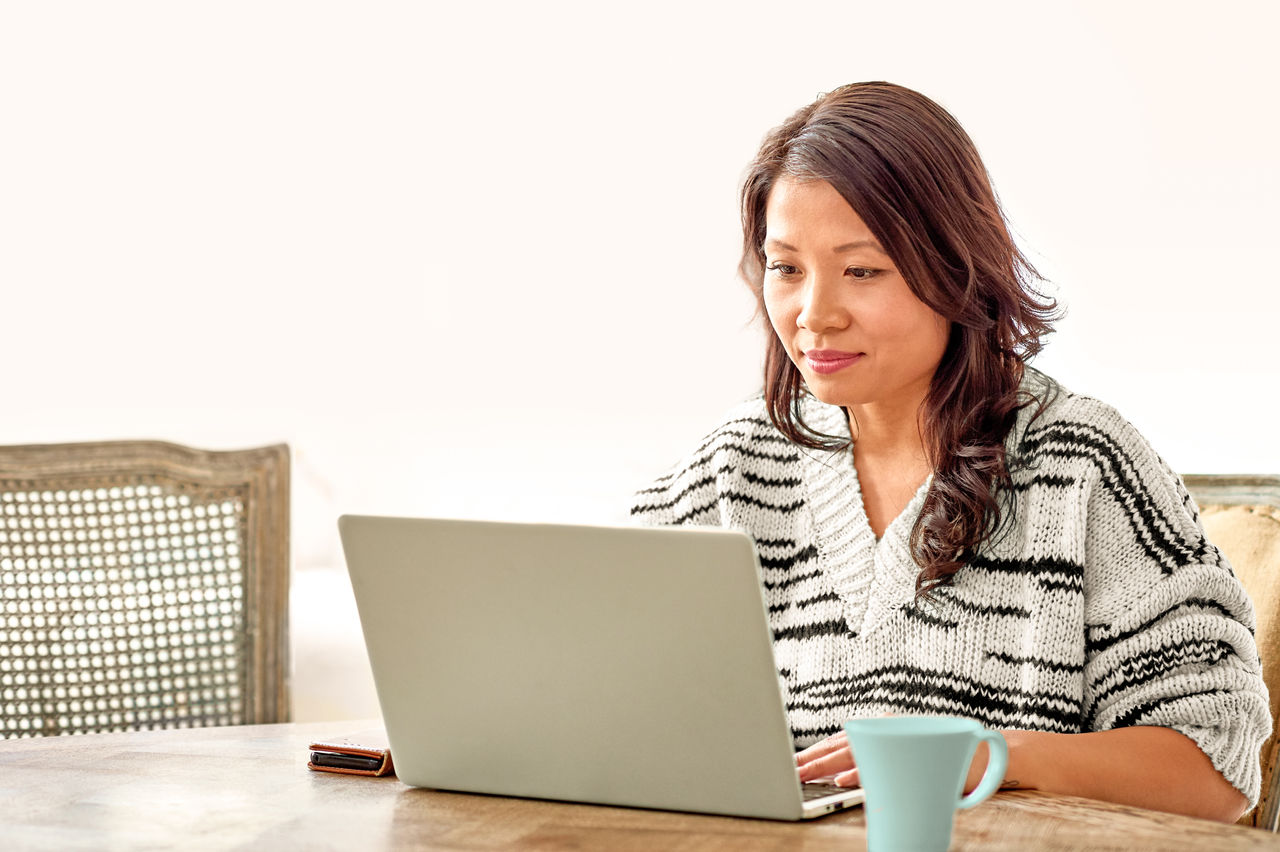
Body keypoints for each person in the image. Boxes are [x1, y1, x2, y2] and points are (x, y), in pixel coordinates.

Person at [630, 82, 1269, 823]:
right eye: (786, 267)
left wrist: (989, 754)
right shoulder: (730, 469)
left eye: (862, 270)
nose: (813, 314)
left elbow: (1216, 772)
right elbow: (604, 700)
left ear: (954, 264)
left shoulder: (1085, 465)